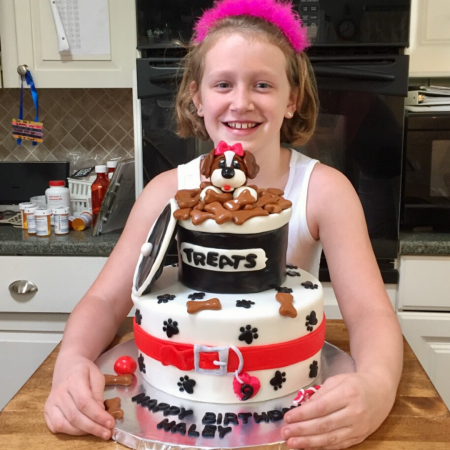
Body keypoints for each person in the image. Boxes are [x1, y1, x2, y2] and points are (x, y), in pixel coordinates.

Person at [44, 0, 403, 448]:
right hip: (170, 402)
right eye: (223, 84)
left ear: (292, 99)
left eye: (263, 84)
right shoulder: (166, 192)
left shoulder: (324, 191)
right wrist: (71, 363)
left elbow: (370, 312)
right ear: (197, 96)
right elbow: (103, 300)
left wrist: (376, 386)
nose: (241, 101)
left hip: (288, 405)